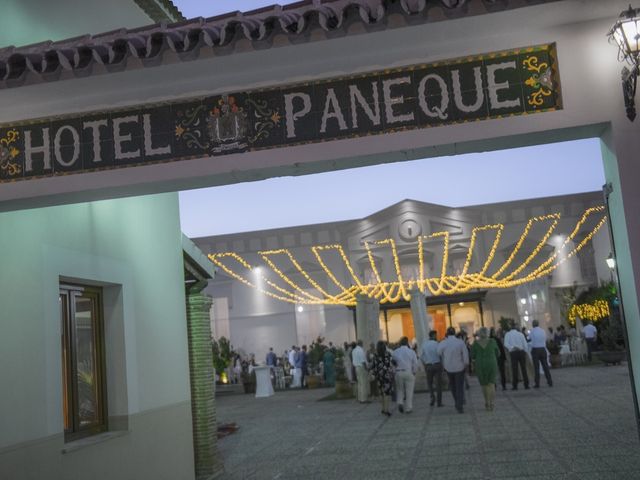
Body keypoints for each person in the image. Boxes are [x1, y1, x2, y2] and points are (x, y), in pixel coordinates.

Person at [438, 327, 469, 413]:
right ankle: (459, 404)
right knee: (459, 387)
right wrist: (466, 364)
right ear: (455, 333)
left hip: (448, 368)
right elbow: (465, 355)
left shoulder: (444, 342)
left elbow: (438, 352)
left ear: (447, 333)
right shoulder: (460, 342)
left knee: (453, 386)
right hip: (459, 367)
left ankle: (457, 402)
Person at [471, 327, 500, 411]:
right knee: (491, 384)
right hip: (491, 363)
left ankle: (487, 402)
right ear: (487, 333)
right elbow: (498, 353)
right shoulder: (492, 342)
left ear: (479, 333)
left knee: (484, 385)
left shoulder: (475, 343)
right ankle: (492, 403)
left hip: (480, 364)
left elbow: (472, 355)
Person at [392, 336, 418, 413]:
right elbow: (415, 363)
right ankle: (408, 408)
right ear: (407, 343)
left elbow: (393, 363)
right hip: (408, 372)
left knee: (400, 389)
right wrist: (414, 372)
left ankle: (400, 402)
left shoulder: (395, 351)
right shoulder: (411, 352)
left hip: (399, 372)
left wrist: (394, 371)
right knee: (409, 391)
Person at [420, 330, 443, 407]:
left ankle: (432, 396)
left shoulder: (425, 344)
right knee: (438, 384)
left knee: (429, 383)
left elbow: (422, 356)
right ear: (433, 335)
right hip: (437, 364)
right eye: (436, 335)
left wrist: (425, 364)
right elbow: (440, 354)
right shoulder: (437, 344)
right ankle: (439, 402)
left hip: (429, 366)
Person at [371, 340, 394, 416]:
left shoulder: (375, 355)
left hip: (379, 377)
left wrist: (374, 374)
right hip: (387, 376)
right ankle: (386, 410)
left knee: (381, 393)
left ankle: (383, 408)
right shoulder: (388, 354)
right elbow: (390, 365)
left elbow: (373, 366)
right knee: (387, 393)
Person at [504, 322, 530, 390]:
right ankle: (526, 384)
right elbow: (525, 344)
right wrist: (525, 351)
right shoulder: (520, 334)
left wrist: (512, 347)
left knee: (514, 369)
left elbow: (505, 344)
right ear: (516, 327)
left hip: (513, 353)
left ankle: (515, 385)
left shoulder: (508, 334)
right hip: (521, 352)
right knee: (523, 369)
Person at [530, 320, 553, 388]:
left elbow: (530, 338)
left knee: (536, 367)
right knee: (545, 366)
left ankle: (537, 383)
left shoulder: (532, 331)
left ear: (533, 324)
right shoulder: (542, 331)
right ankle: (550, 381)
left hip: (535, 349)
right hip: (543, 349)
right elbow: (545, 338)